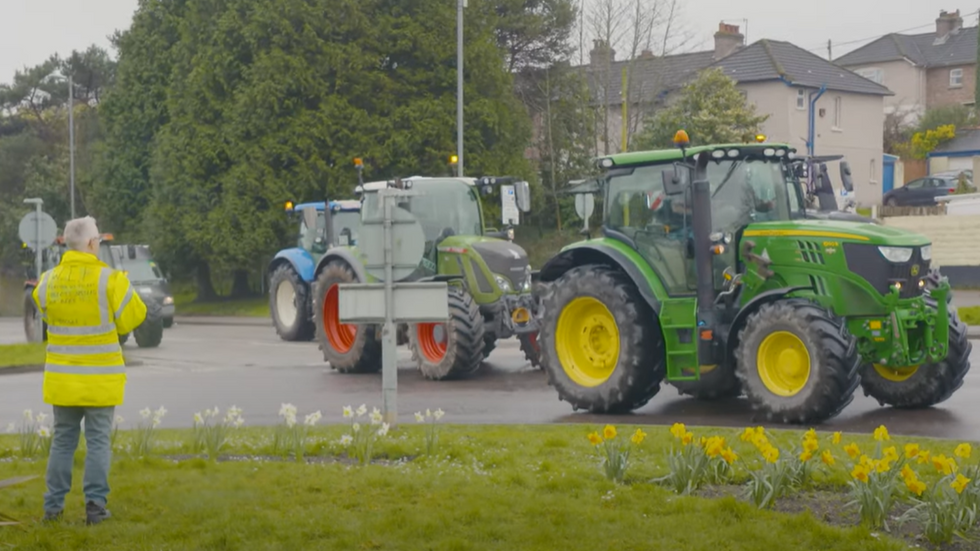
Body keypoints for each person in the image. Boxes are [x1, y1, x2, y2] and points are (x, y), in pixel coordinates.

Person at [32, 216, 147, 525]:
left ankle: (52, 508)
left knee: (63, 440)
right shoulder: (110, 280)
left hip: (62, 380)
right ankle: (95, 507)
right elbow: (133, 317)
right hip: (100, 380)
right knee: (97, 441)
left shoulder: (48, 280)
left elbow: (43, 309)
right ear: (92, 244)